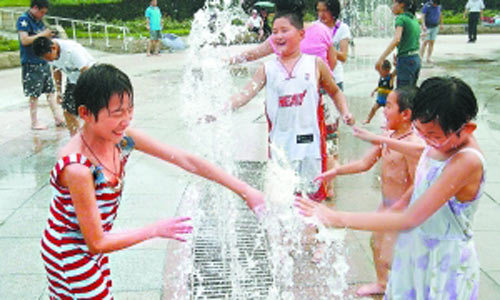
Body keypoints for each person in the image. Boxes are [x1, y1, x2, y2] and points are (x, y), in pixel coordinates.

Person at [40, 64, 265, 299]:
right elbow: (97, 242)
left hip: (92, 245)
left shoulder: (122, 140)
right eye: (117, 113)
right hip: (69, 253)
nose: (126, 120)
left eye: (130, 109)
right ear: (85, 113)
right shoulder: (77, 167)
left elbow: (186, 160)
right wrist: (155, 230)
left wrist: (245, 190)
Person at [296, 76, 485, 299]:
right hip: (418, 251)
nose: (426, 140)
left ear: (468, 128)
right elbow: (420, 151)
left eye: (432, 135)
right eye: (420, 131)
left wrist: (335, 217)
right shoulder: (440, 141)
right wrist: (379, 139)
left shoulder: (467, 161)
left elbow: (410, 218)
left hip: (445, 263)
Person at [229, 0, 354, 202]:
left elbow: (335, 91)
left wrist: (345, 111)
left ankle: (322, 201)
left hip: (310, 147)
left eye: (284, 31)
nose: (277, 36)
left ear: (301, 35)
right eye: (274, 32)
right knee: (282, 204)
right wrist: (221, 109)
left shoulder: (315, 65)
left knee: (309, 207)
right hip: (281, 147)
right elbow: (244, 94)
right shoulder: (267, 69)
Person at [316, 87, 423, 295]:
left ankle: (405, 289)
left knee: (392, 255)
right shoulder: (389, 136)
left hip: (402, 209)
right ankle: (382, 284)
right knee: (376, 243)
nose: (383, 110)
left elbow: (417, 183)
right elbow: (365, 163)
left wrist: (400, 206)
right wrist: (336, 171)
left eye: (389, 106)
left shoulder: (412, 145)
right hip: (386, 204)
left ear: (406, 115)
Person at [16, 0, 64, 130]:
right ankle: (34, 122)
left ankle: (58, 118)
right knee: (34, 94)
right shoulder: (23, 20)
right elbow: (24, 40)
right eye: (42, 12)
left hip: (43, 61)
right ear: (35, 8)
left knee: (50, 91)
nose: (43, 15)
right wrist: (43, 35)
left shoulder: (39, 21)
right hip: (31, 63)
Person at [33, 37, 95, 136]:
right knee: (68, 111)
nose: (49, 60)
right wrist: (59, 91)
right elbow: (56, 69)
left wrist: (85, 94)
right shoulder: (49, 52)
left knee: (91, 111)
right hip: (73, 79)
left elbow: (86, 72)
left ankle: (95, 136)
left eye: (48, 57)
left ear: (53, 48)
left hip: (91, 77)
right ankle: (75, 138)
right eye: (45, 59)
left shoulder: (72, 51)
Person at [375, 0, 420, 88]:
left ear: (401, 4)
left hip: (406, 60)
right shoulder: (413, 19)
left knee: (402, 94)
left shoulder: (401, 18)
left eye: (394, 3)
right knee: (410, 92)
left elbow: (396, 39)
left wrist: (381, 59)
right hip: (415, 59)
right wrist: (394, 72)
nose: (392, 6)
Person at [364, 59, 395, 124]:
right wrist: (374, 91)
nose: (380, 72)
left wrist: (396, 64)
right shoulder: (381, 77)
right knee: (373, 109)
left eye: (381, 70)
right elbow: (380, 87)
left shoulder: (390, 77)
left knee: (388, 113)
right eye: (381, 70)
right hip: (380, 100)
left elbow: (395, 72)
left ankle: (389, 123)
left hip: (387, 101)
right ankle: (368, 119)